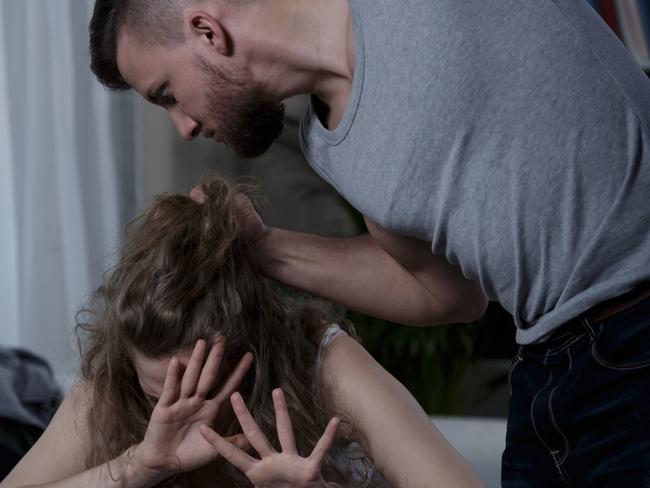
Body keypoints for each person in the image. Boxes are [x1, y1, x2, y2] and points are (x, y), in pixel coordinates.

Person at [88, 0, 650, 485]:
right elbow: (447, 296)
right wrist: (263, 249)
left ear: (207, 29)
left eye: (165, 93)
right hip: (553, 368)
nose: (182, 125)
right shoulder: (334, 143)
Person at [1, 177, 483, 488]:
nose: (174, 405)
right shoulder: (115, 381)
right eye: (156, 394)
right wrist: (136, 466)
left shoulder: (324, 363)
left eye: (195, 382)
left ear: (249, 347)